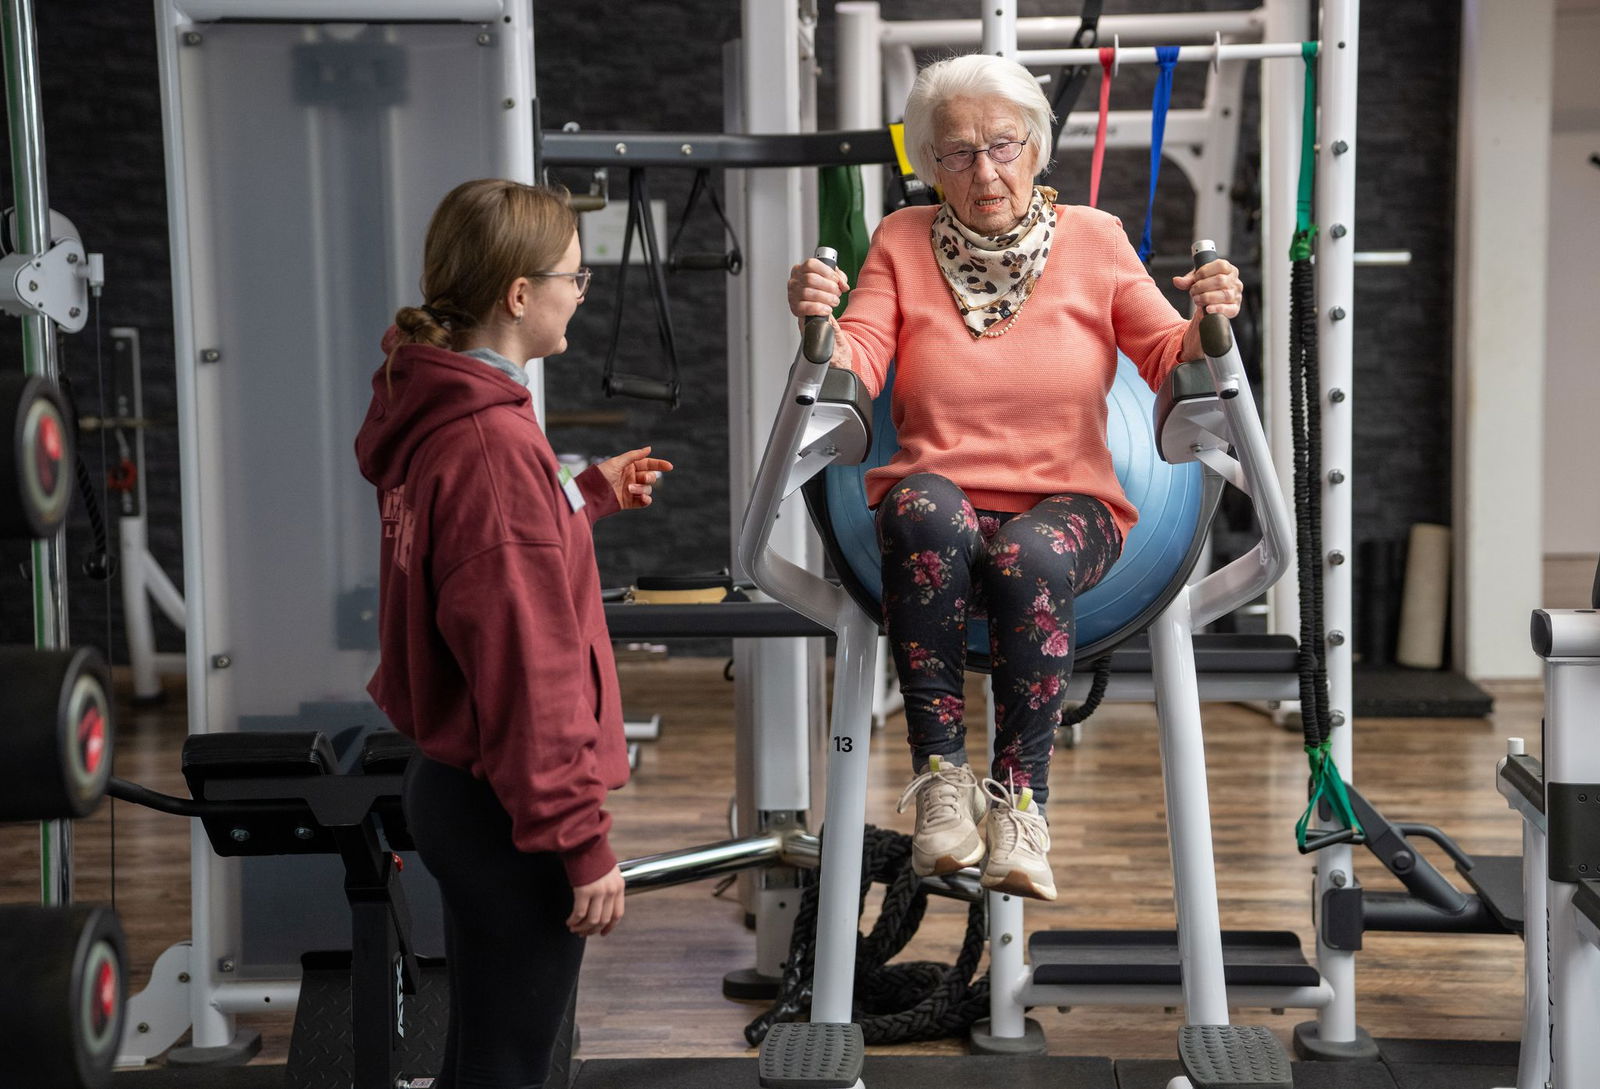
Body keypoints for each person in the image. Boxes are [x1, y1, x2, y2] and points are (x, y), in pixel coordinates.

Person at [786, 54, 1242, 902]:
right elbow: (861, 354)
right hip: (940, 502)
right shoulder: (900, 240)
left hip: (1072, 509)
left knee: (1026, 557)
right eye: (958, 154)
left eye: (1002, 145)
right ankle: (943, 786)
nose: (984, 171)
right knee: (919, 506)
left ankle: (1022, 806)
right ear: (931, 164)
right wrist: (819, 323)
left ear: (1037, 148)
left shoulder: (1096, 239)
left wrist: (1211, 319)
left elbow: (1165, 351)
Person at [356, 178, 672, 1088]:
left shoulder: (442, 412)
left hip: (461, 790)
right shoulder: (491, 446)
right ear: (521, 294)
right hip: (511, 813)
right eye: (574, 276)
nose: (582, 293)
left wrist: (583, 496)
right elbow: (529, 674)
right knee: (510, 1067)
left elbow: (486, 562)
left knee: (482, 1058)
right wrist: (582, 842)